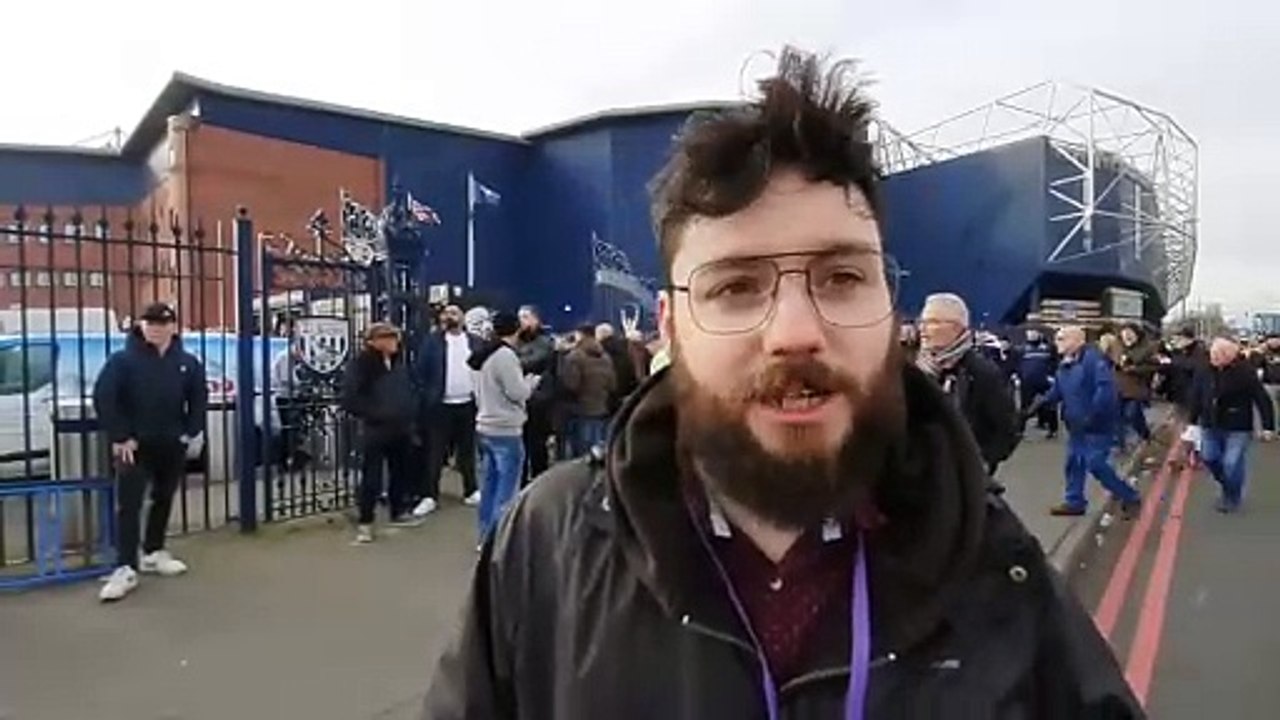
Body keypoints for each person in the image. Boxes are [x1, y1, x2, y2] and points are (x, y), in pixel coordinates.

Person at [424, 47, 1141, 719]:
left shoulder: (995, 565)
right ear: (670, 326)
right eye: (737, 286)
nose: (795, 330)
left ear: (893, 310)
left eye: (841, 277)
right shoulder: (545, 544)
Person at [92, 302, 208, 602]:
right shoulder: (123, 361)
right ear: (142, 326)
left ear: (173, 326)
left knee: (164, 497)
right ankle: (125, 567)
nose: (155, 328)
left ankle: (153, 551)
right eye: (150, 323)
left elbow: (198, 397)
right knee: (128, 504)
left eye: (162, 323)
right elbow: (105, 397)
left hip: (171, 443)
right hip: (135, 446)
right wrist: (121, 436)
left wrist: (189, 432)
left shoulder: (187, 362)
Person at [1028, 326, 1142, 518]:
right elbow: (1057, 391)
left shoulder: (1093, 361)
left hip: (1096, 426)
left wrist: (1093, 415)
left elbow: (1105, 390)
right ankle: (1075, 502)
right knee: (1074, 463)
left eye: (1062, 338)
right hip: (1076, 424)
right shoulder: (1065, 364)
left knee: (1095, 464)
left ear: (1077, 341)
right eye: (1057, 339)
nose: (1057, 342)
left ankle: (1129, 496)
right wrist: (1033, 408)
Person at [916, 293, 1020, 477]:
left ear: (957, 327)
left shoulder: (982, 372)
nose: (923, 330)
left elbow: (1006, 427)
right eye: (922, 322)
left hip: (961, 477)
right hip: (916, 472)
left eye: (932, 322)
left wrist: (983, 462)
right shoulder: (913, 368)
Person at [341, 322, 419, 544]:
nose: (394, 342)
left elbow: (407, 389)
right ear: (374, 342)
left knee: (400, 472)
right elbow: (351, 399)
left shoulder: (398, 363)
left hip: (400, 428)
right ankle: (365, 522)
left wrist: (410, 410)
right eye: (388, 338)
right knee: (372, 478)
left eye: (395, 337)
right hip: (376, 429)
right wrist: (377, 413)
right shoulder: (362, 365)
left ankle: (398, 511)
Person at [469, 311, 540, 543]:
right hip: (506, 429)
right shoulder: (505, 357)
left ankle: (485, 536)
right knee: (506, 491)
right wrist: (531, 382)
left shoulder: (481, 356)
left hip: (485, 426)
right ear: (516, 330)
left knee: (489, 487)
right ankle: (500, 541)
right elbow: (517, 392)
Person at [1186, 336, 1276, 513]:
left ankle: (1232, 496)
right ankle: (1227, 484)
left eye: (1219, 355)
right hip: (1210, 423)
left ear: (1230, 356)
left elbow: (1261, 399)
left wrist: (1268, 427)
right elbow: (1196, 396)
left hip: (1238, 426)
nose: (1214, 358)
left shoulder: (1245, 372)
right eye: (1213, 354)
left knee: (1231, 463)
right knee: (1209, 457)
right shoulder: (1204, 370)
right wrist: (1192, 423)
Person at [416, 304, 483, 513]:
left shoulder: (475, 342)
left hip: (468, 405)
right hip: (440, 406)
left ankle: (471, 490)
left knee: (467, 452)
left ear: (463, 317)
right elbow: (421, 372)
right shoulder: (432, 342)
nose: (450, 316)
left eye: (454, 312)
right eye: (446, 313)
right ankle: (429, 495)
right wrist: (427, 397)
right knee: (434, 452)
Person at [560, 324, 617, 456]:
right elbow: (613, 384)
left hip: (580, 408)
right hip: (600, 407)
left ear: (580, 335)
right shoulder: (605, 357)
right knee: (598, 449)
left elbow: (571, 384)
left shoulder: (574, 357)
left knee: (581, 450)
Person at [516, 305, 557, 483]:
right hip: (520, 401)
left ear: (536, 320)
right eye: (520, 317)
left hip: (538, 402)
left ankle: (540, 480)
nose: (521, 321)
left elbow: (533, 362)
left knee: (537, 446)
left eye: (525, 317)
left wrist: (512, 361)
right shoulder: (517, 341)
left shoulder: (545, 342)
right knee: (521, 446)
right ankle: (522, 480)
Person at [1115, 323, 1158, 447]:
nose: (1127, 336)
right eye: (1125, 333)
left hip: (1136, 387)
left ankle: (1145, 434)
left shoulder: (1147, 348)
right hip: (1118, 386)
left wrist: (1134, 369)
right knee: (1118, 417)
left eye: (1130, 333)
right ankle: (1120, 444)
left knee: (1132, 413)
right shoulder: (1117, 347)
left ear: (1137, 335)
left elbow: (1154, 366)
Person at [1018, 328, 1059, 439]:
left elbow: (1055, 362)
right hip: (1027, 383)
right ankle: (1019, 431)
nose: (1032, 334)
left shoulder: (1049, 348)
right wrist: (1018, 376)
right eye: (1030, 332)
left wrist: (1053, 376)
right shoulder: (1022, 349)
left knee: (1050, 405)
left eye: (1035, 332)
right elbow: (1017, 364)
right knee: (1025, 406)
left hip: (1044, 381)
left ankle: (1053, 430)